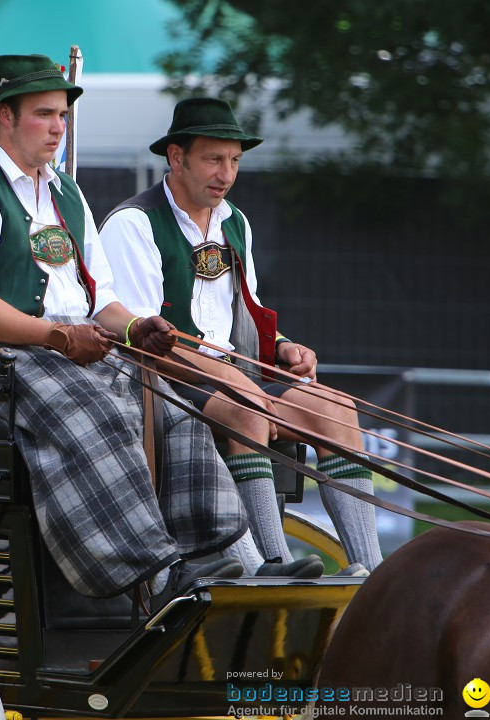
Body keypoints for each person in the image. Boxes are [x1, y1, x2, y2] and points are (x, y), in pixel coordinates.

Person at [0, 56, 305, 608]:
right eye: (45, 114)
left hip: (64, 342)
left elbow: (101, 304)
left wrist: (139, 327)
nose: (59, 127)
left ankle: (214, 555)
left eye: (63, 116)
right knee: (92, 407)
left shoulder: (66, 195)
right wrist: (56, 338)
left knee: (170, 404)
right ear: (4, 116)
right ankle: (150, 566)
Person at [100, 97, 383, 574]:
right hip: (157, 382)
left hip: (233, 377)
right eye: (213, 159)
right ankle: (272, 564)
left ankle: (371, 572)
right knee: (248, 407)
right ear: (176, 157)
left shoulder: (235, 221)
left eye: (234, 161)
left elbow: (244, 317)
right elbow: (142, 341)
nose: (226, 174)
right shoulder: (133, 224)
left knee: (336, 408)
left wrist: (284, 347)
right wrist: (238, 382)